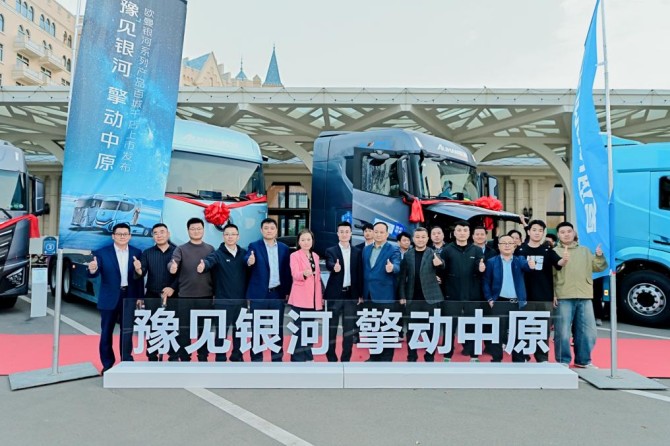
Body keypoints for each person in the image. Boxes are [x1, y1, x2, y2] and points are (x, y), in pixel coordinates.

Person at [88, 223, 144, 374]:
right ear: (113, 236)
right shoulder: (101, 253)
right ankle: (107, 363)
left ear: (130, 236)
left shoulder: (136, 252)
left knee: (127, 331)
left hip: (129, 296)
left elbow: (138, 277)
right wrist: (92, 269)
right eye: (119, 234)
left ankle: (126, 360)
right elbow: (94, 273)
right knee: (106, 332)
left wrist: (140, 297)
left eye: (125, 234)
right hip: (109, 297)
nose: (122, 236)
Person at [553, 221, 607, 368]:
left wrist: (599, 256)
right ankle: (563, 360)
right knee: (562, 331)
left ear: (574, 233)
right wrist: (553, 293)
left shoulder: (585, 250)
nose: (566, 234)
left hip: (585, 294)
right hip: (563, 294)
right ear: (558, 235)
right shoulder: (554, 251)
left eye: (569, 231)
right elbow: (550, 275)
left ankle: (583, 360)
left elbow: (598, 267)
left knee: (588, 331)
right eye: (562, 232)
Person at [515, 219, 566, 362]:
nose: (537, 233)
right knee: (523, 327)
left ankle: (542, 357)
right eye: (534, 230)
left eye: (540, 230)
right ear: (529, 231)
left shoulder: (547, 250)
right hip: (524, 296)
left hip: (544, 296)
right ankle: (522, 356)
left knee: (543, 329)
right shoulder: (520, 250)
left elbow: (559, 263)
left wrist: (565, 260)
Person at [198, 223, 248, 362]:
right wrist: (204, 265)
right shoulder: (217, 254)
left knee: (240, 331)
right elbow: (210, 261)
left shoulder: (244, 254)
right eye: (227, 234)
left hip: (241, 301)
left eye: (233, 234)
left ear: (238, 237)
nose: (230, 237)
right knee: (221, 332)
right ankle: (220, 357)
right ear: (223, 236)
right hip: (222, 301)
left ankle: (237, 356)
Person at [245, 218, 292, 362]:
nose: (269, 231)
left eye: (272, 228)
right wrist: (249, 261)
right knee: (257, 328)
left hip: (277, 294)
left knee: (277, 329)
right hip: (259, 294)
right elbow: (247, 258)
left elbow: (287, 271)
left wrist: (287, 291)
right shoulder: (254, 246)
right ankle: (256, 359)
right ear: (261, 230)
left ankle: (277, 359)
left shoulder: (284, 248)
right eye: (266, 228)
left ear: (276, 230)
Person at [169, 217, 215, 362]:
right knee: (184, 329)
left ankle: (203, 356)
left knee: (204, 328)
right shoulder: (181, 249)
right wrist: (173, 267)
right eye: (193, 229)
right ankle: (184, 357)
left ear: (203, 230)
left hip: (206, 296)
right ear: (188, 231)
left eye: (199, 228)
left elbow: (215, 270)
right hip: (185, 296)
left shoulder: (210, 249)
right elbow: (173, 262)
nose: (196, 231)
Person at [483, 235, 534, 362]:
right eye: (504, 243)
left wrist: (531, 265)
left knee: (518, 332)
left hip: (517, 302)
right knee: (497, 332)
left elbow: (527, 268)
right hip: (499, 301)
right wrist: (489, 299)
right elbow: (486, 282)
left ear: (514, 246)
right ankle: (496, 359)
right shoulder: (492, 262)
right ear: (498, 246)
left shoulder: (520, 260)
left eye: (510, 243)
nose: (507, 245)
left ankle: (518, 360)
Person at [398, 227, 444, 362]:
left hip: (431, 298)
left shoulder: (433, 253)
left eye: (423, 237)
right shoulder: (408, 255)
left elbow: (443, 266)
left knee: (431, 329)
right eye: (417, 237)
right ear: (413, 239)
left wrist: (440, 264)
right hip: (412, 298)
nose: (420, 239)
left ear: (427, 239)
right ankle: (411, 357)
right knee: (411, 329)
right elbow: (402, 278)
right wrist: (402, 296)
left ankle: (429, 357)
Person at [442, 220, 486, 362]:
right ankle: (447, 354)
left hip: (472, 294)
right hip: (452, 294)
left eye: (465, 230)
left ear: (469, 233)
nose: (462, 233)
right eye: (459, 230)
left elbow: (479, 269)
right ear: (454, 233)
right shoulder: (447, 250)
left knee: (472, 325)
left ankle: (473, 354)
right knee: (449, 325)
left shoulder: (476, 250)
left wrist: (481, 269)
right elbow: (442, 270)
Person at [133, 223, 177, 361]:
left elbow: (183, 274)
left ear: (168, 234)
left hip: (173, 296)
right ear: (153, 236)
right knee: (152, 327)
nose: (159, 235)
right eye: (156, 233)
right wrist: (138, 269)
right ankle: (152, 356)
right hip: (152, 295)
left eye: (162, 232)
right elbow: (141, 272)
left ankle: (173, 357)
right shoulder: (147, 253)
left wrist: (172, 287)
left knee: (173, 327)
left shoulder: (177, 251)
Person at [361, 221, 401, 362]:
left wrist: (392, 268)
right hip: (368, 294)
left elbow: (397, 265)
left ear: (387, 234)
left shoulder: (393, 249)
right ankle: (374, 355)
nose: (378, 234)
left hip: (385, 295)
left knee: (387, 328)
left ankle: (386, 359)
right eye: (376, 231)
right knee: (372, 326)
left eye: (381, 232)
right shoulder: (366, 250)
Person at [324, 221, 362, 362]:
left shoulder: (357, 252)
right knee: (332, 328)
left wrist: (360, 294)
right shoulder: (331, 251)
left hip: (351, 295)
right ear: (337, 234)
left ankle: (346, 358)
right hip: (335, 295)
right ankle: (331, 357)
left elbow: (359, 274)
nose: (344, 234)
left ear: (351, 233)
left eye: (347, 232)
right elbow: (329, 263)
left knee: (349, 329)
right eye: (342, 232)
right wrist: (334, 267)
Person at [287, 229, 323, 362]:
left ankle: (308, 356)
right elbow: (294, 274)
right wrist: (303, 273)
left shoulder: (316, 256)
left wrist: (319, 298)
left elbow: (318, 279)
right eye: (303, 240)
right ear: (298, 242)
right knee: (298, 330)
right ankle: (297, 358)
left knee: (309, 330)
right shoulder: (294, 255)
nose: (306, 242)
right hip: (300, 298)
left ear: (312, 241)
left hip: (312, 299)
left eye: (308, 239)